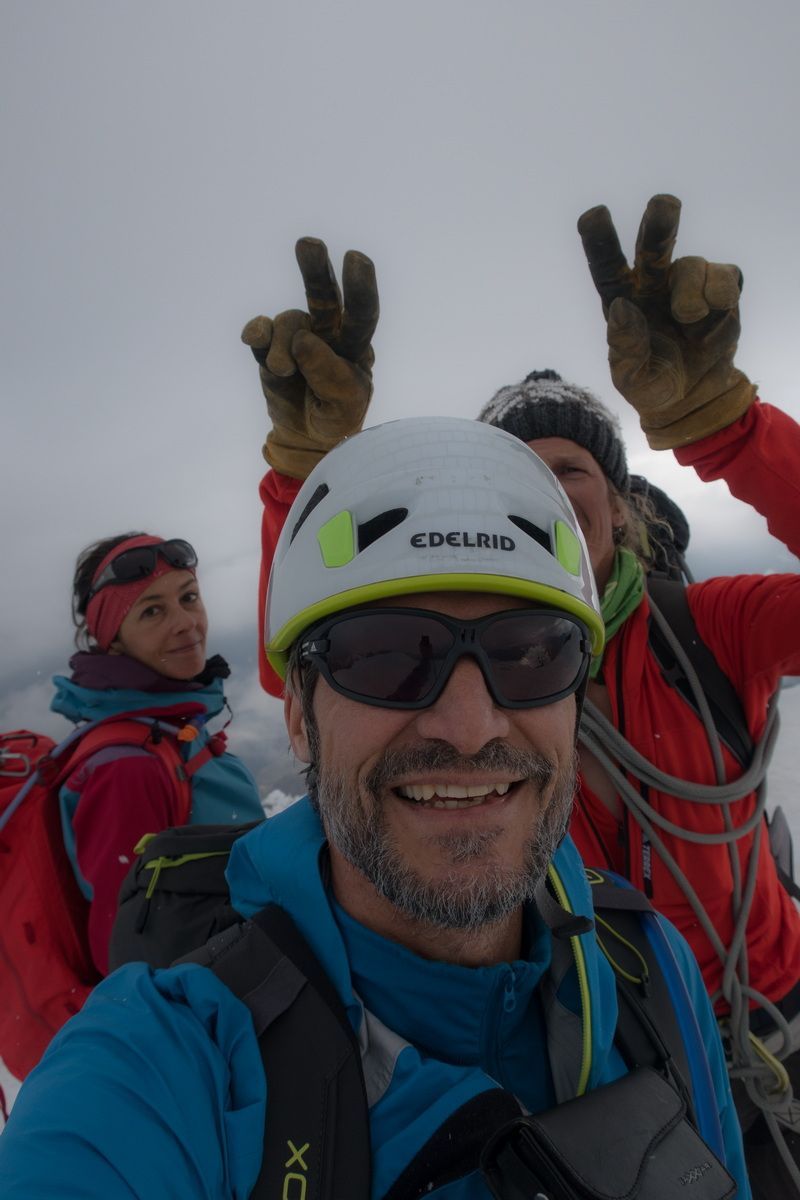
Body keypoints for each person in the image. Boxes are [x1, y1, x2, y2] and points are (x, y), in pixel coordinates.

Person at [0, 418, 750, 1197]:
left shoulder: (648, 961)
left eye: (533, 653)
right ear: (300, 718)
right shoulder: (161, 1075)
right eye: (387, 656)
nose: (470, 727)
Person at [242, 197, 800, 1195]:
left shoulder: (707, 628)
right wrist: (306, 480)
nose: (545, 488)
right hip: (603, 1040)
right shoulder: (451, 673)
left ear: (617, 501)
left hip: (774, 1021)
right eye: (518, 473)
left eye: (570, 468)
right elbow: (316, 671)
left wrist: (729, 430)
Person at [55, 531, 266, 973]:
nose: (186, 623)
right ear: (113, 639)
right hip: (222, 1002)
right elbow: (127, 961)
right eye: (152, 611)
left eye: (189, 597)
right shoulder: (128, 768)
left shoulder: (172, 729)